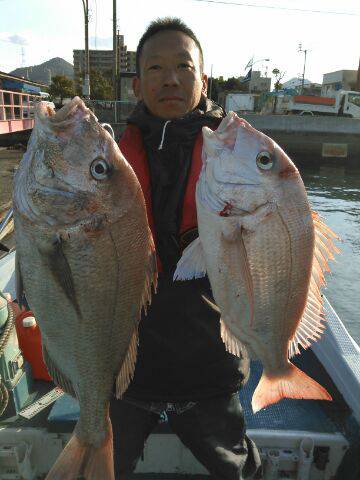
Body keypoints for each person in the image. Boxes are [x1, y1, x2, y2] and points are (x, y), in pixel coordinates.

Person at [110, 17, 262, 480]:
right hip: (125, 370)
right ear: (138, 83)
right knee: (102, 468)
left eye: (183, 66)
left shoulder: (239, 156)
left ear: (204, 78)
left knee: (236, 471)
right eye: (155, 68)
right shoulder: (109, 160)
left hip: (210, 368)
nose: (170, 78)